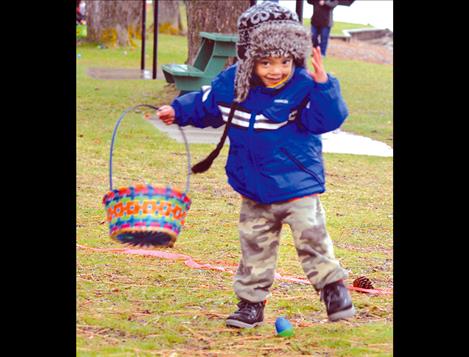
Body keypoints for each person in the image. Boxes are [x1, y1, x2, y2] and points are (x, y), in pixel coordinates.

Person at [156, 1, 355, 328]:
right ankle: (250, 304)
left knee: (312, 238)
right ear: (250, 59)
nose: (275, 70)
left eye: (284, 61)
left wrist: (324, 86)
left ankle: (333, 289)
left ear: (295, 57)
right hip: (254, 188)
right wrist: (177, 110)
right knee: (255, 248)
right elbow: (206, 105)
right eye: (265, 62)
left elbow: (326, 120)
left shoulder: (304, 86)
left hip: (297, 186)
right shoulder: (233, 84)